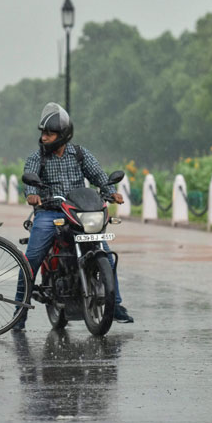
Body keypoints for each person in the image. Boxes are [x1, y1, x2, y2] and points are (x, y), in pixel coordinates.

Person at [14, 102, 134, 330]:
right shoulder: (37, 157)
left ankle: (115, 304)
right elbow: (28, 179)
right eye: (43, 133)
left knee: (106, 255)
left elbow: (99, 176)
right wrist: (32, 194)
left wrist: (111, 193)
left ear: (63, 135)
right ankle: (20, 311)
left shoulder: (79, 154)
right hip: (50, 213)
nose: (44, 138)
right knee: (30, 262)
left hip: (79, 213)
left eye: (50, 133)